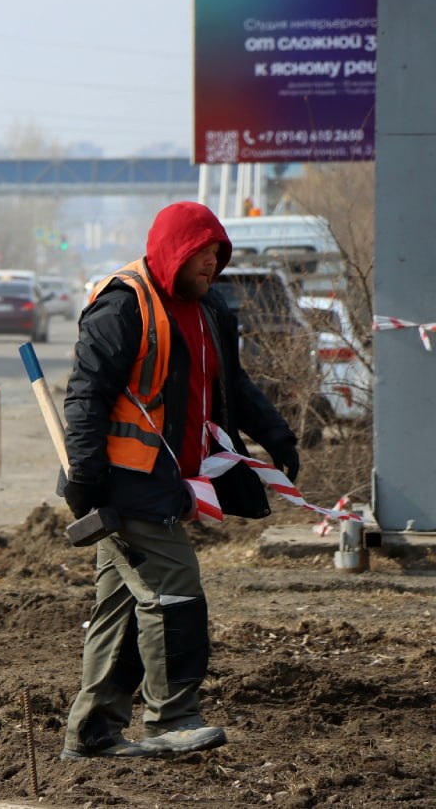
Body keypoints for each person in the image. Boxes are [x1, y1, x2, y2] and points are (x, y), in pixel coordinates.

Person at [58, 201, 300, 760]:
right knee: (175, 589)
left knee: (122, 607)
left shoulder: (209, 309)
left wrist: (275, 433)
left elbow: (230, 385)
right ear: (175, 251)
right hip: (120, 483)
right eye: (203, 255)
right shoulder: (123, 306)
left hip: (164, 482)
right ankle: (171, 718)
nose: (212, 266)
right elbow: (86, 396)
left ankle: (93, 731)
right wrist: (87, 480)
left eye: (218, 255)